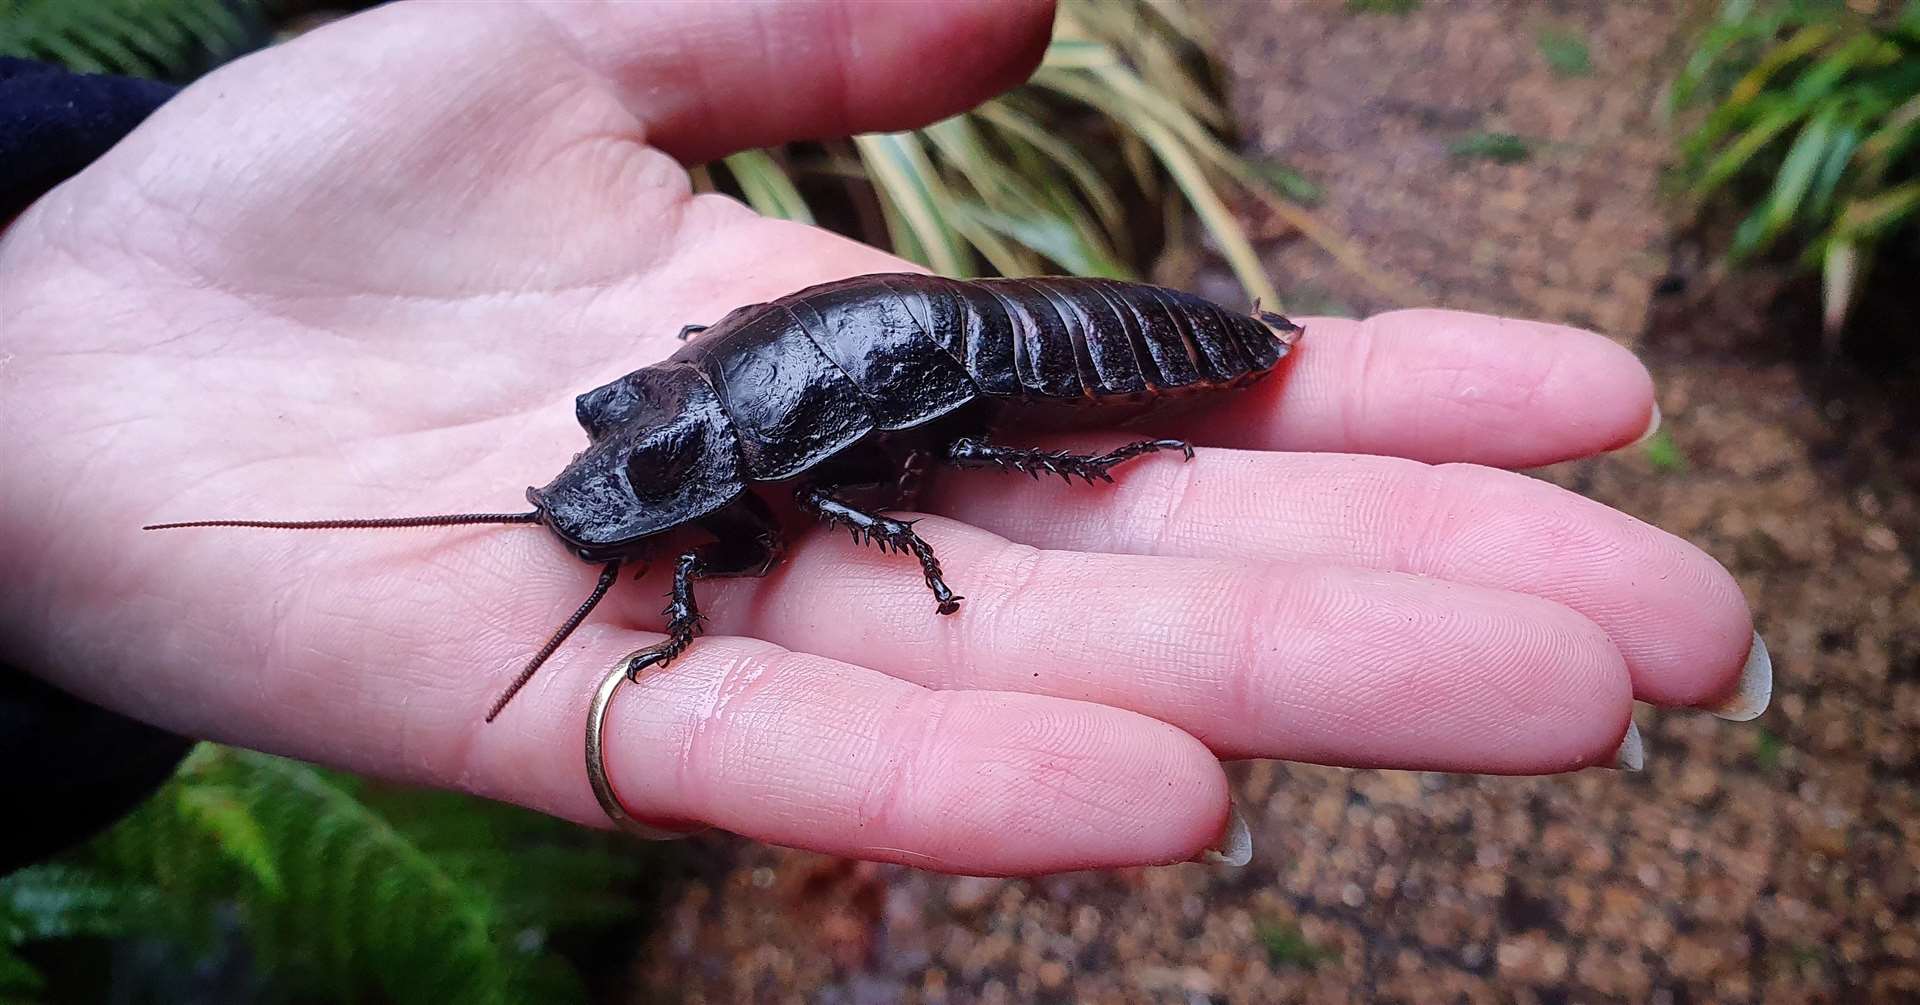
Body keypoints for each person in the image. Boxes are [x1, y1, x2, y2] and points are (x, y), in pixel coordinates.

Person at [0, 0, 1766, 876]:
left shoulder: (752, 478)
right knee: (944, 436)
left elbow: (823, 493)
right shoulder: (705, 450)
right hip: (947, 335)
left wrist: (847, 549)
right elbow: (750, 489)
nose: (643, 534)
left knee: (978, 436)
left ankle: (1113, 438)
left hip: (1065, 346)